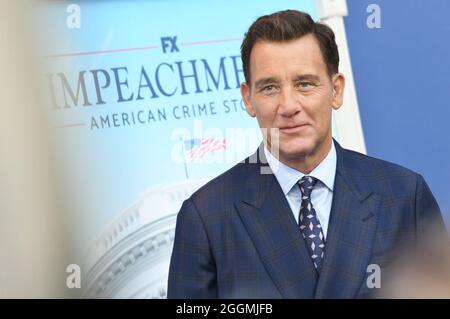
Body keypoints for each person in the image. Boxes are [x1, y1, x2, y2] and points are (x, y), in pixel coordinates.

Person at [167, 9, 447, 298]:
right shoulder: (207, 217)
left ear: (336, 90)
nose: (288, 106)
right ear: (248, 99)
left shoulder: (403, 197)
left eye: (304, 84)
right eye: (270, 87)